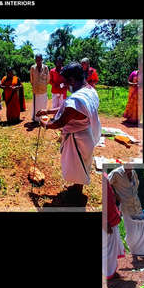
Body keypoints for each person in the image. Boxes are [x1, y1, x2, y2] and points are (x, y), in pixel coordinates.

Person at [37, 62, 101, 196]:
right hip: (86, 136)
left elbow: (59, 122)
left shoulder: (76, 101)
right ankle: (77, 188)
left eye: (65, 82)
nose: (64, 85)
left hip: (78, 140)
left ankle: (76, 194)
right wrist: (48, 111)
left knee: (77, 166)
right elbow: (67, 109)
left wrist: (45, 124)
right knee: (81, 166)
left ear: (72, 80)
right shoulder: (90, 90)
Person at [107, 164, 144, 259]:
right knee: (132, 231)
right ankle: (134, 252)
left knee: (143, 227)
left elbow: (136, 185)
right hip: (126, 206)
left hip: (137, 204)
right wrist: (115, 195)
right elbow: (106, 183)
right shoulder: (116, 173)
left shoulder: (134, 172)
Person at [102, 172, 125, 280]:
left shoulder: (104, 174)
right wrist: (105, 223)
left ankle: (111, 271)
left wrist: (115, 195)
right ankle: (108, 274)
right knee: (108, 249)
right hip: (107, 221)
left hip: (111, 217)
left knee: (112, 247)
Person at [30, 54, 49, 123]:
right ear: (35, 60)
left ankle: (43, 118)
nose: (38, 61)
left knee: (43, 104)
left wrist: (43, 85)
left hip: (43, 90)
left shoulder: (46, 67)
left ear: (42, 60)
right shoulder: (32, 68)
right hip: (36, 90)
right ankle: (36, 119)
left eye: (39, 60)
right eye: (37, 60)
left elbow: (48, 79)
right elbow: (31, 79)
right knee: (36, 105)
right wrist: (34, 85)